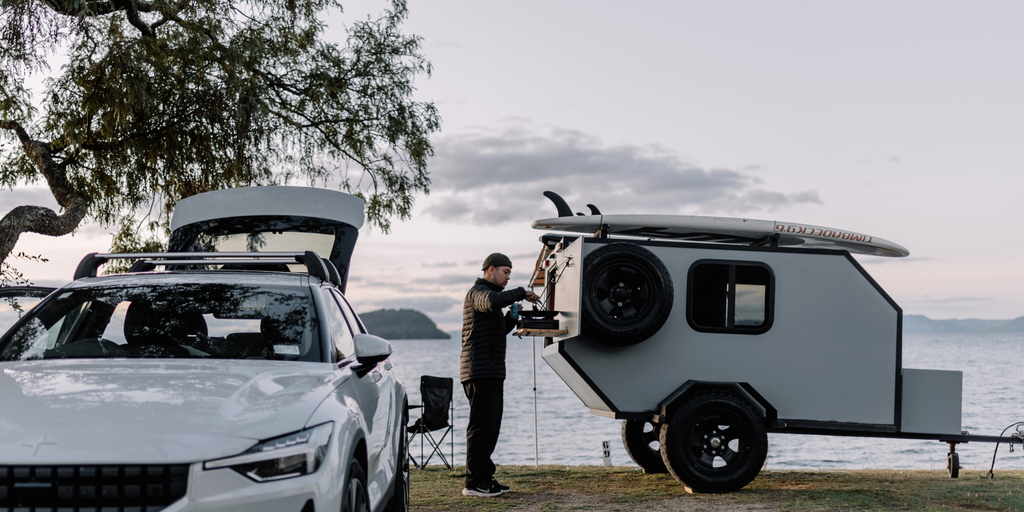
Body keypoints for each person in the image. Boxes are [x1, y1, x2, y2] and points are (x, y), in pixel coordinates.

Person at [460, 252, 539, 497]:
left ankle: (485, 477)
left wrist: (512, 317)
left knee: (491, 426)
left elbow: (497, 331)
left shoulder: (490, 296)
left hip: (490, 370)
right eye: (505, 272)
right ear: (490, 269)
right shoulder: (478, 293)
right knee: (482, 427)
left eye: (510, 274)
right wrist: (520, 292)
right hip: (479, 370)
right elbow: (491, 302)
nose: (507, 277)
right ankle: (474, 483)